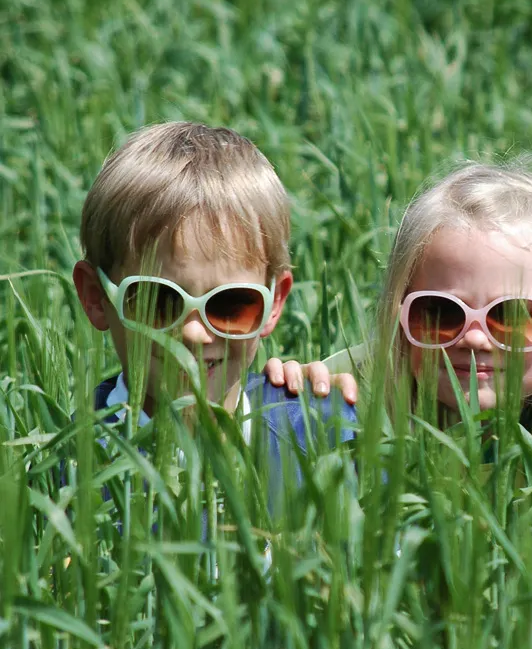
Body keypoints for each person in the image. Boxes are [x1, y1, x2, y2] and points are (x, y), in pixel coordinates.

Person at [72, 121, 357, 490]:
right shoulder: (71, 468)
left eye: (231, 304)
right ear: (96, 297)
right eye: (158, 300)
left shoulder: (323, 439)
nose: (193, 332)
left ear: (274, 303)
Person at [371, 159, 532, 437]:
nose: (474, 339)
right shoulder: (353, 403)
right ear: (399, 315)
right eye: (441, 312)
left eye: (511, 315)